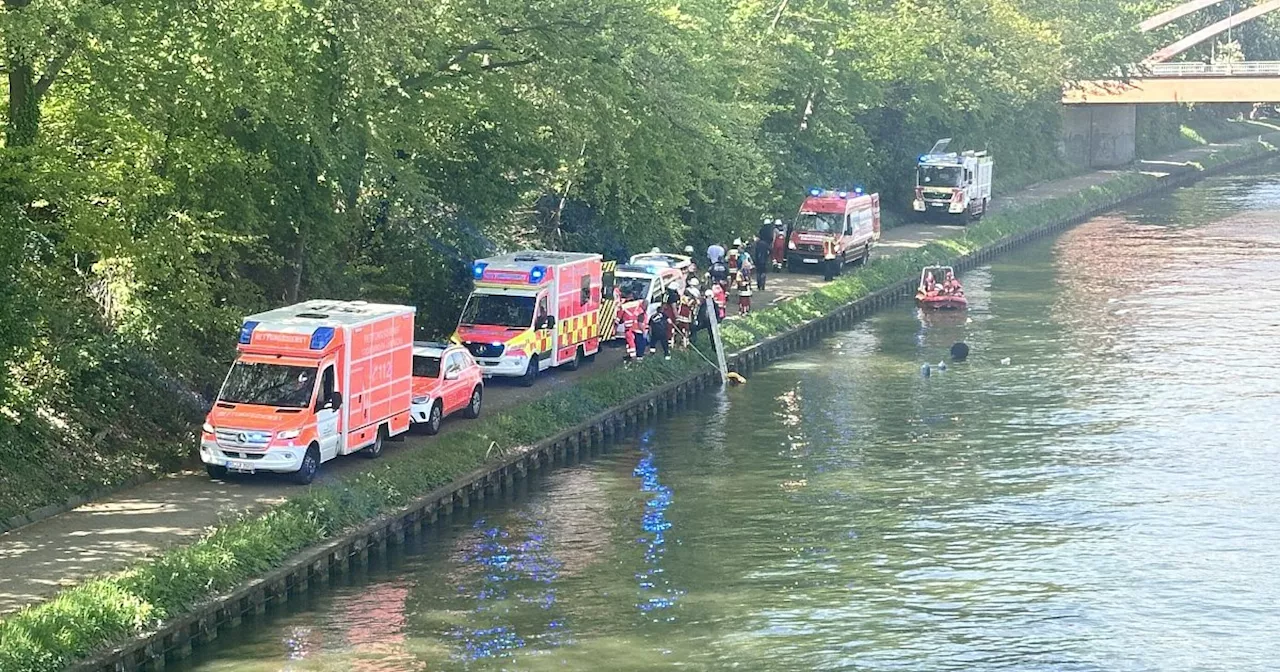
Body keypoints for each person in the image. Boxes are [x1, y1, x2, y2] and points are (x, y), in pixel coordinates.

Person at [754, 224, 773, 291]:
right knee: (763, 272)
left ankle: (759, 285)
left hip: (758, 260)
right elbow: (770, 250)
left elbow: (755, 253)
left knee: (758, 273)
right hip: (764, 260)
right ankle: (762, 285)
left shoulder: (758, 244)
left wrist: (755, 260)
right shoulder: (766, 244)